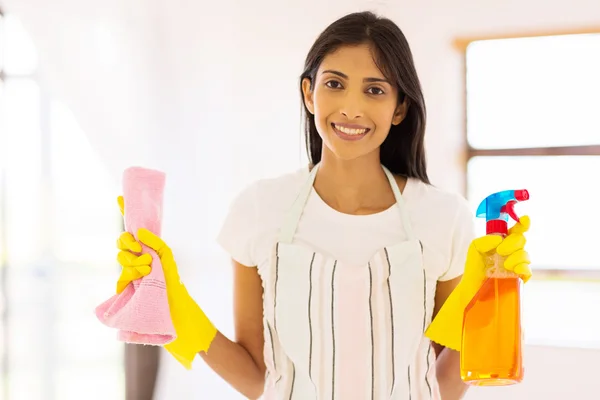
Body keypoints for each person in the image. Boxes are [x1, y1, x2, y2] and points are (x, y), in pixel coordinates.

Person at [115, 11, 532, 400]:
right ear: (309, 93)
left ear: (399, 107)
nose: (352, 107)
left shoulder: (443, 217)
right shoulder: (260, 208)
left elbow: (443, 384)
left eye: (375, 90)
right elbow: (257, 377)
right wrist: (173, 302)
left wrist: (492, 295)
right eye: (335, 83)